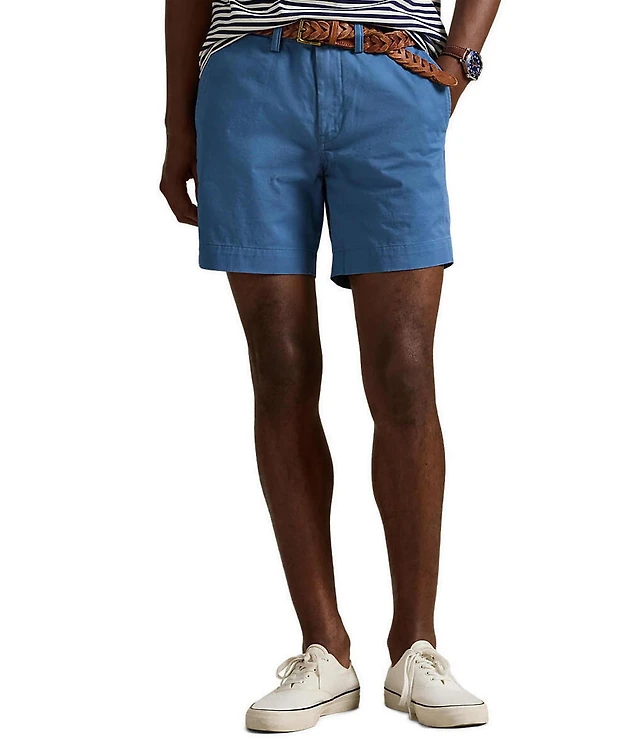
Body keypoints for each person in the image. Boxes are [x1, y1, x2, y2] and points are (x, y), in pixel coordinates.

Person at [161, 0, 500, 732]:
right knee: (280, 369)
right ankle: (324, 649)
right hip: (250, 79)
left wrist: (460, 61)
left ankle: (416, 647)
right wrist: (177, 124)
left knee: (404, 372)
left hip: (395, 72)